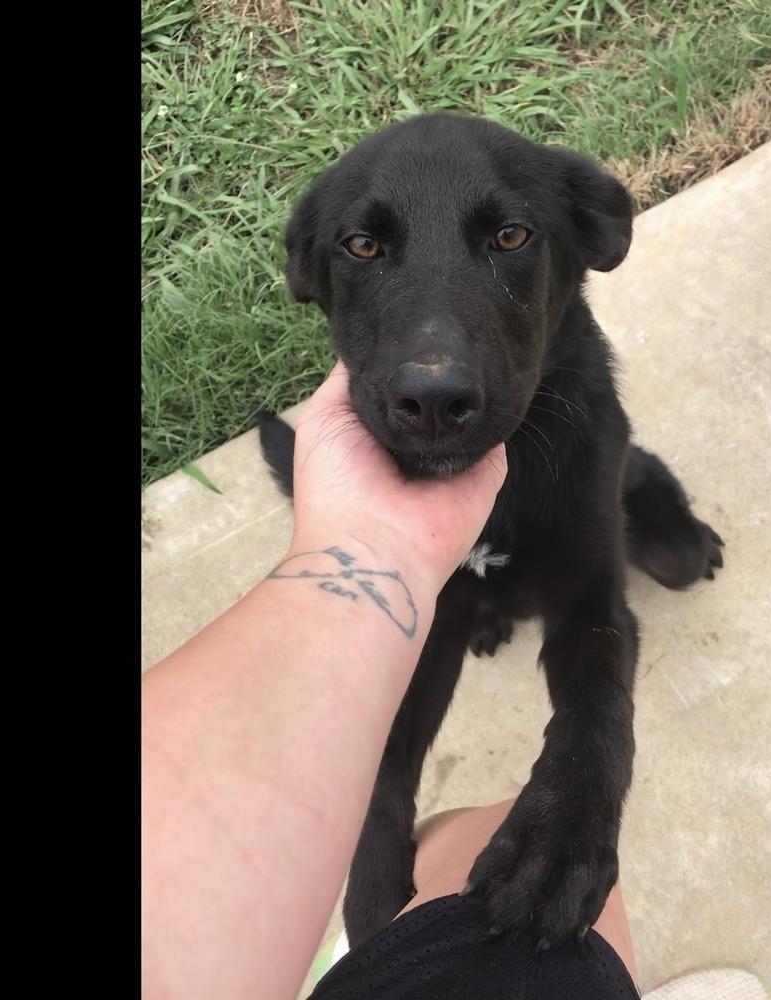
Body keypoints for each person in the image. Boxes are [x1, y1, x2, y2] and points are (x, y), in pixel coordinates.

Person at [142, 362, 639, 1000]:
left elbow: (591, 606)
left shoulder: (585, 432)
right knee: (498, 845)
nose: (436, 373)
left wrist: (593, 758)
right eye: (367, 251)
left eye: (508, 249)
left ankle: (359, 954)